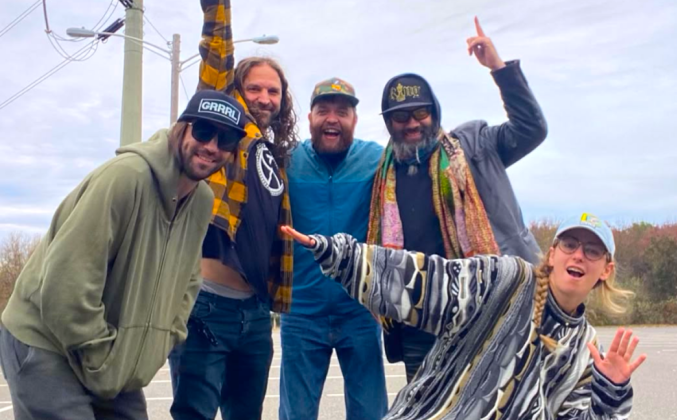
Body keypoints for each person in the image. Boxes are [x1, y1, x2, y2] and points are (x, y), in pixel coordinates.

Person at [0, 89, 247, 420]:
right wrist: (101, 354)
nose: (213, 146)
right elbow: (66, 283)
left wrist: (162, 341)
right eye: (204, 131)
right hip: (46, 342)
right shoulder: (125, 177)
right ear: (182, 128)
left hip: (108, 356)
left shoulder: (201, 201)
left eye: (226, 139)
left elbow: (188, 281)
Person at [282, 212, 647, 419]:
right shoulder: (506, 280)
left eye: (592, 250)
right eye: (570, 244)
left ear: (606, 270)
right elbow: (426, 280)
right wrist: (342, 255)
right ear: (552, 254)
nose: (579, 255)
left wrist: (610, 392)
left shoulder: (586, 351)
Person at [369, 17, 548, 381]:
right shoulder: (382, 175)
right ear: (389, 123)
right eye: (400, 116)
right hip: (418, 318)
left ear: (435, 111)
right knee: (426, 407)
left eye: (421, 112)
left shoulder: (475, 144)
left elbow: (532, 129)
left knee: (496, 402)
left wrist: (499, 70)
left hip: (490, 305)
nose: (412, 123)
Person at [168, 1, 298, 419]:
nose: (264, 97)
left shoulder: (272, 156)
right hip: (207, 306)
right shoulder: (229, 131)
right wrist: (218, 9)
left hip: (255, 313)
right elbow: (217, 55)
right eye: (254, 88)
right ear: (237, 91)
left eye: (273, 90)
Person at [279, 78, 388, 420]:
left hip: (360, 310)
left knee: (371, 413)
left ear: (355, 120)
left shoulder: (378, 160)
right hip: (301, 312)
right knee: (296, 414)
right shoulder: (287, 161)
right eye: (323, 110)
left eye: (342, 111)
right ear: (309, 117)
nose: (332, 118)